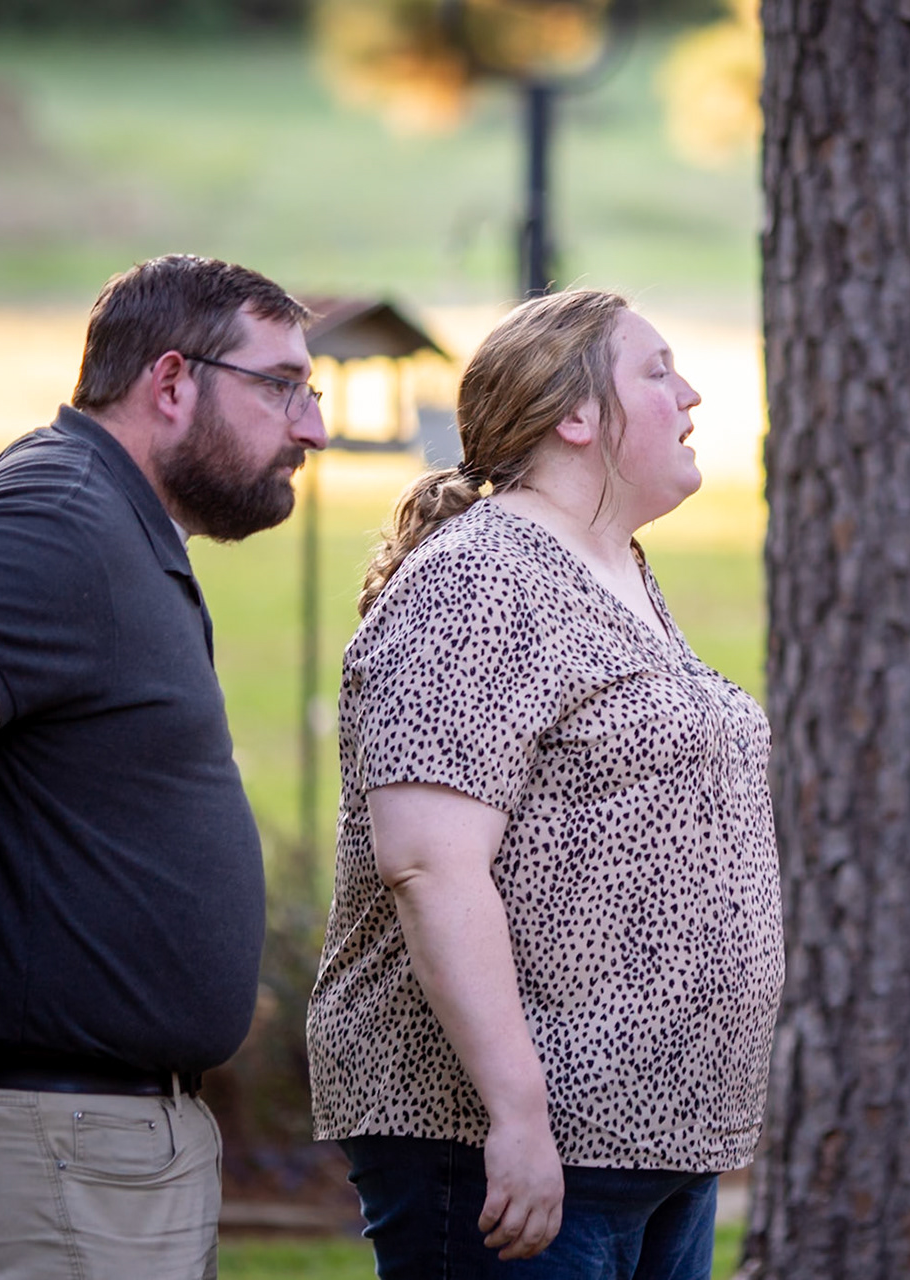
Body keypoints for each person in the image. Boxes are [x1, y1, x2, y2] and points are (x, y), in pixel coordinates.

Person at [307, 289, 783, 1279]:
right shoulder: (477, 581)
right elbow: (429, 864)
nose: (691, 395)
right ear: (574, 415)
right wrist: (520, 1115)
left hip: (654, 1145)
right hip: (510, 1146)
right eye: (656, 371)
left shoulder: (617, 571)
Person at [0, 254, 327, 1278]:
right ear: (172, 382)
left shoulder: (110, 517)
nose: (313, 427)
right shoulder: (63, 513)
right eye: (282, 386)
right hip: (54, 1141)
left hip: (93, 1144)